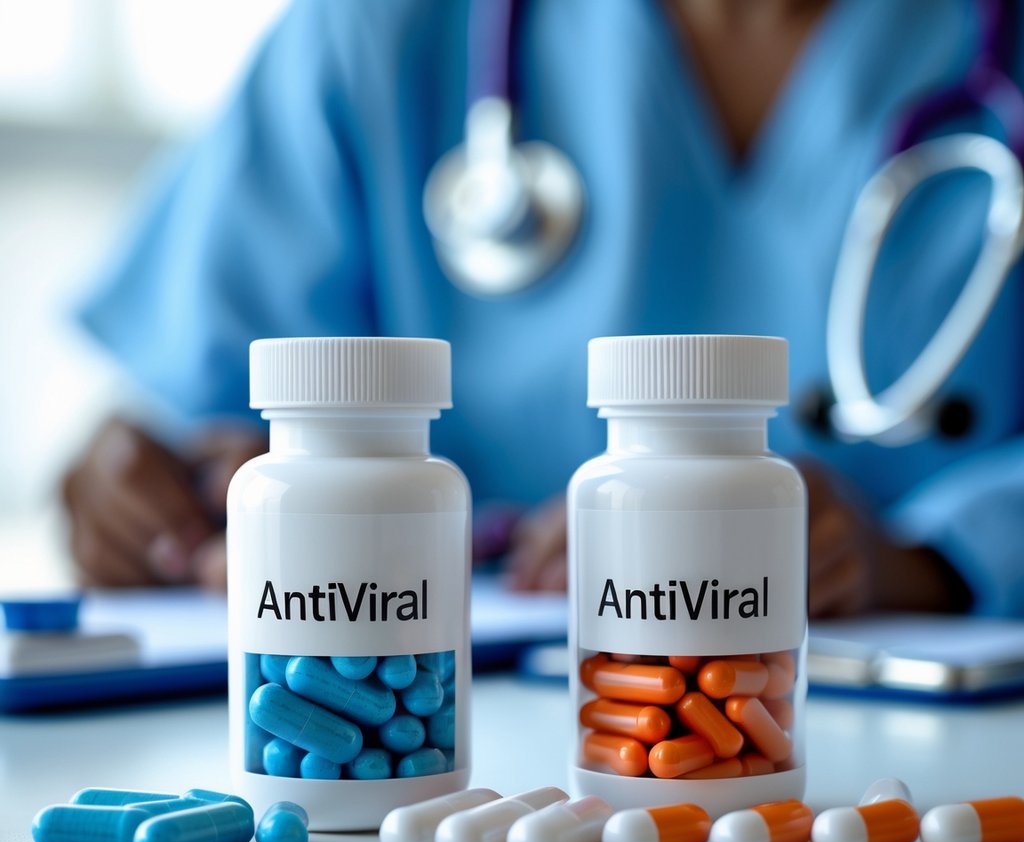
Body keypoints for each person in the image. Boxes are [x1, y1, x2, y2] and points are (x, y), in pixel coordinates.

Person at [64, 0, 1023, 617]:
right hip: (427, 745)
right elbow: (202, 408)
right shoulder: (379, 33)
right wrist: (155, 496)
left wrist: (921, 559)